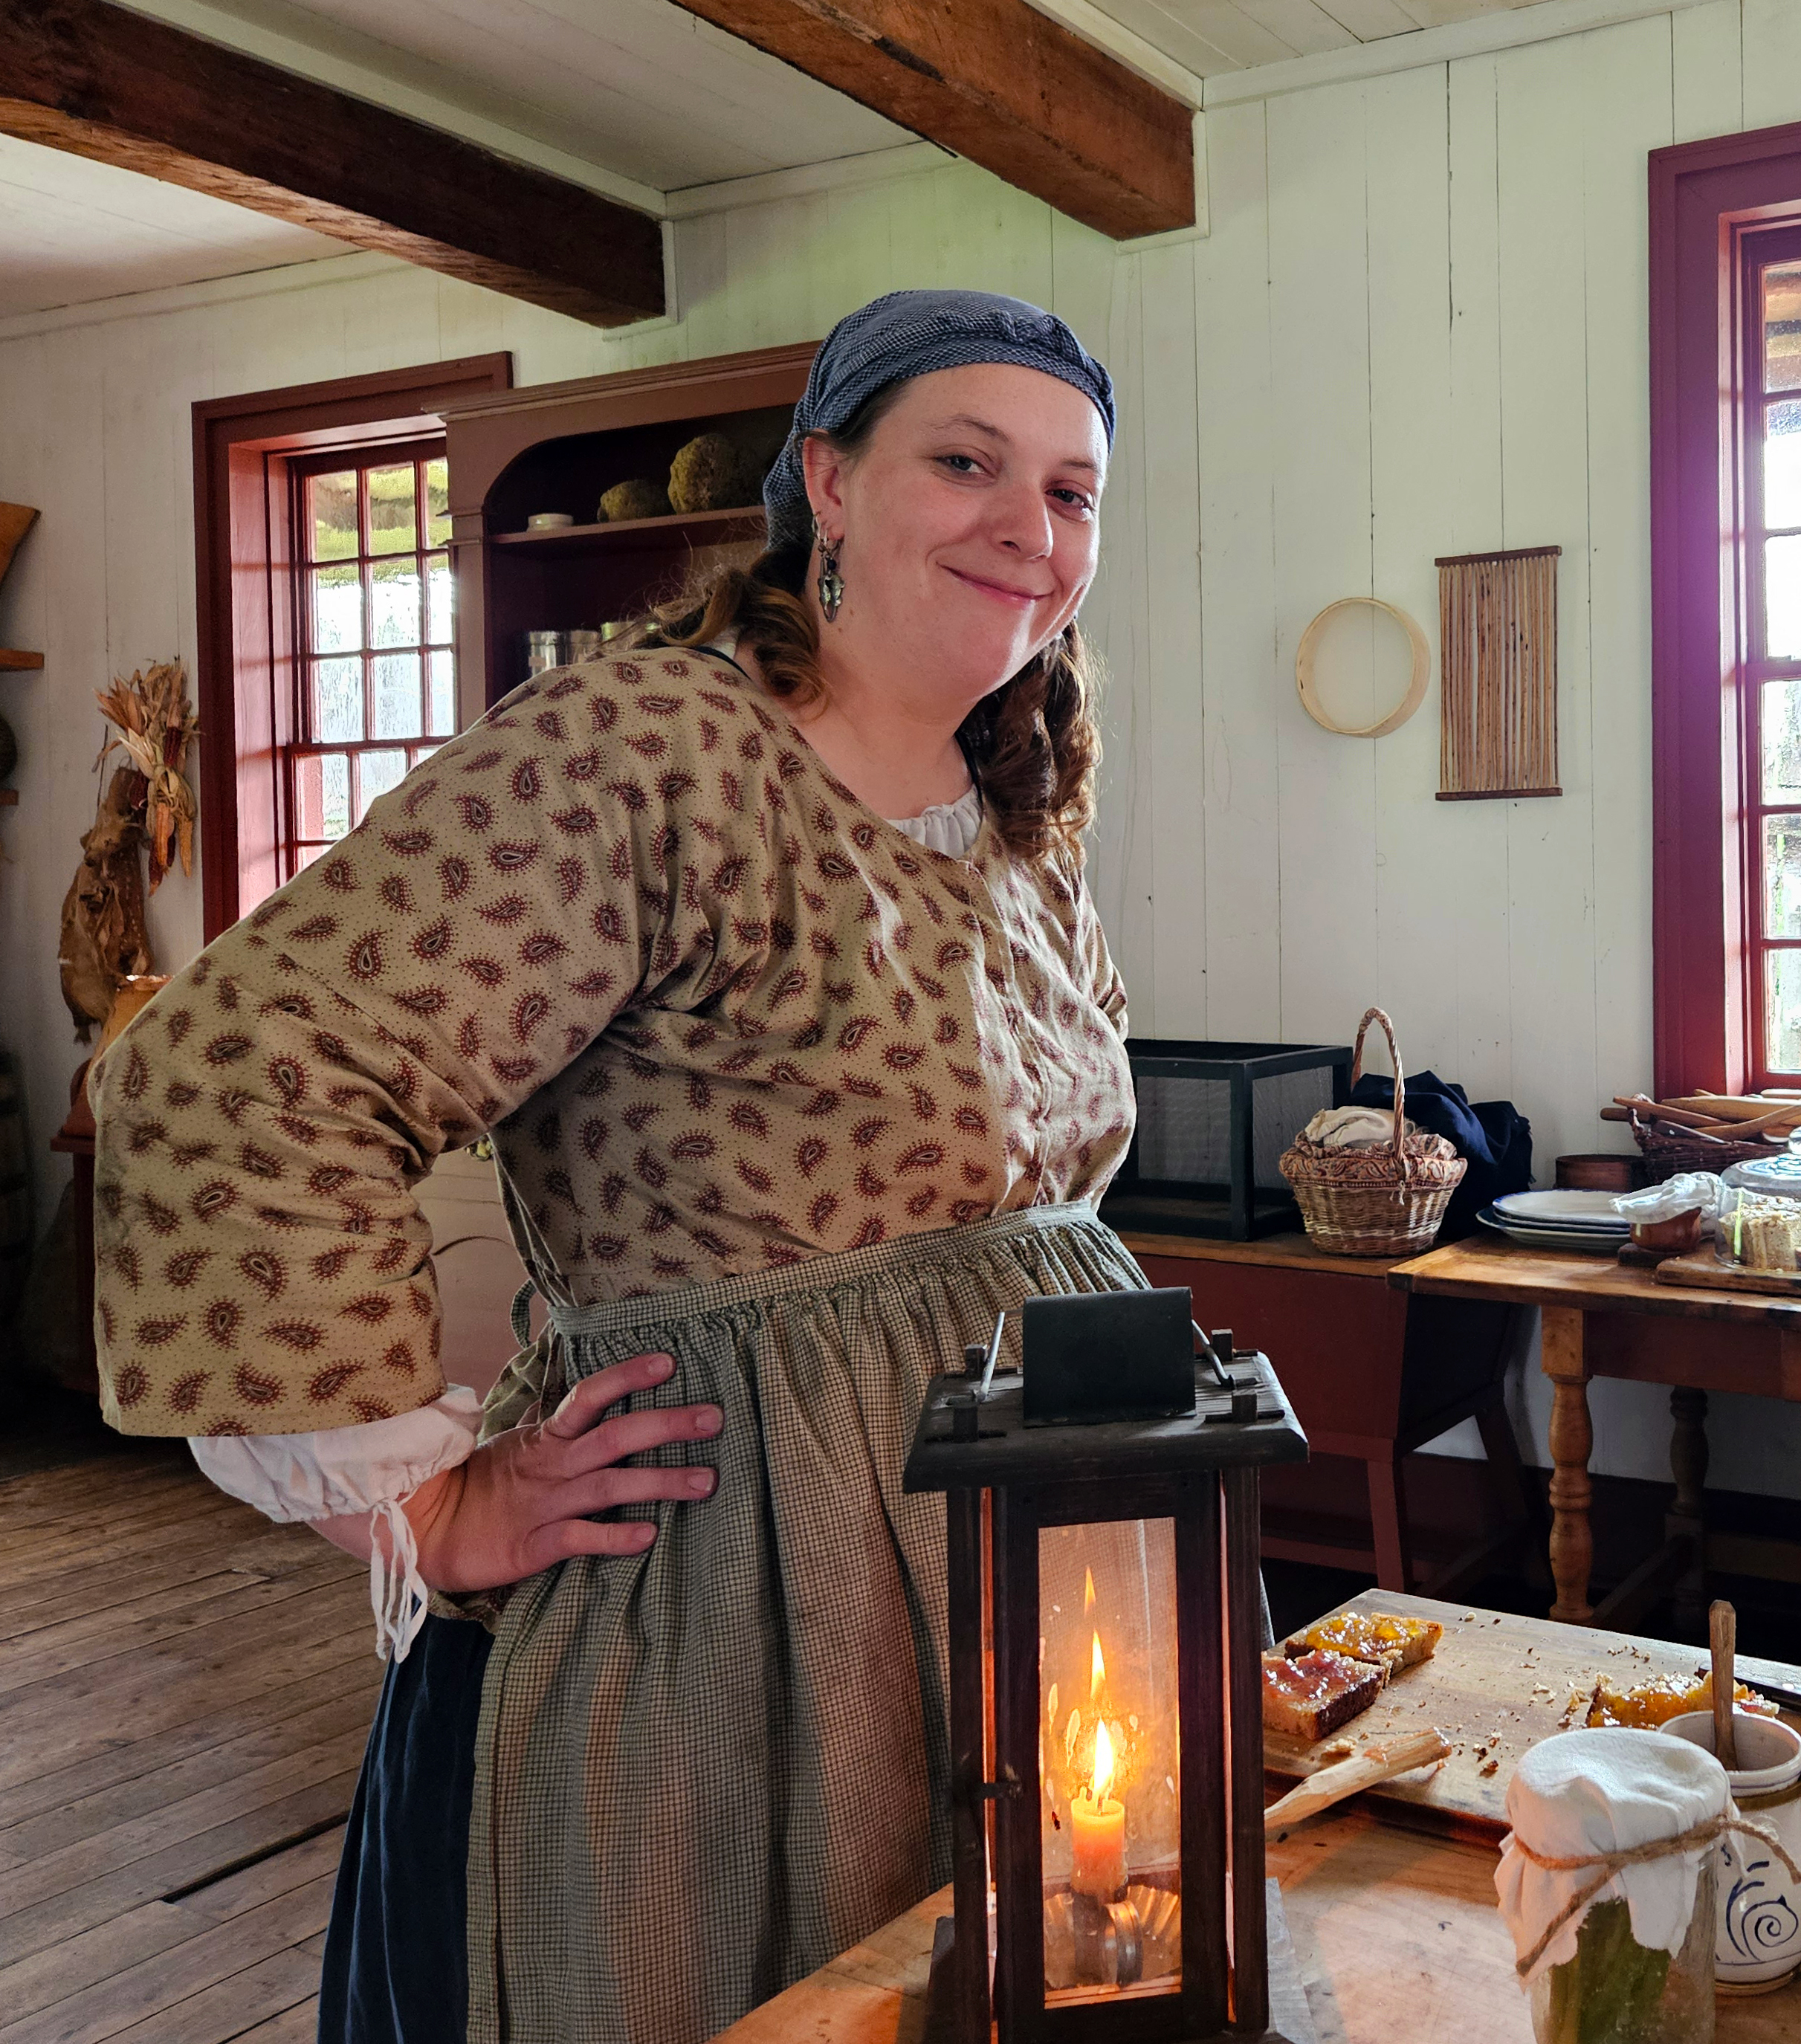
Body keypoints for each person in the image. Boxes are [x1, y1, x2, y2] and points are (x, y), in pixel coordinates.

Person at [89, 290, 1144, 2042]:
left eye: (1072, 491)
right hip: (735, 1619)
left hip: (990, 1587)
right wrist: (422, 1497)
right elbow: (237, 1067)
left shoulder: (1014, 800)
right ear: (824, 480)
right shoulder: (652, 748)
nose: (1029, 529)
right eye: (964, 462)